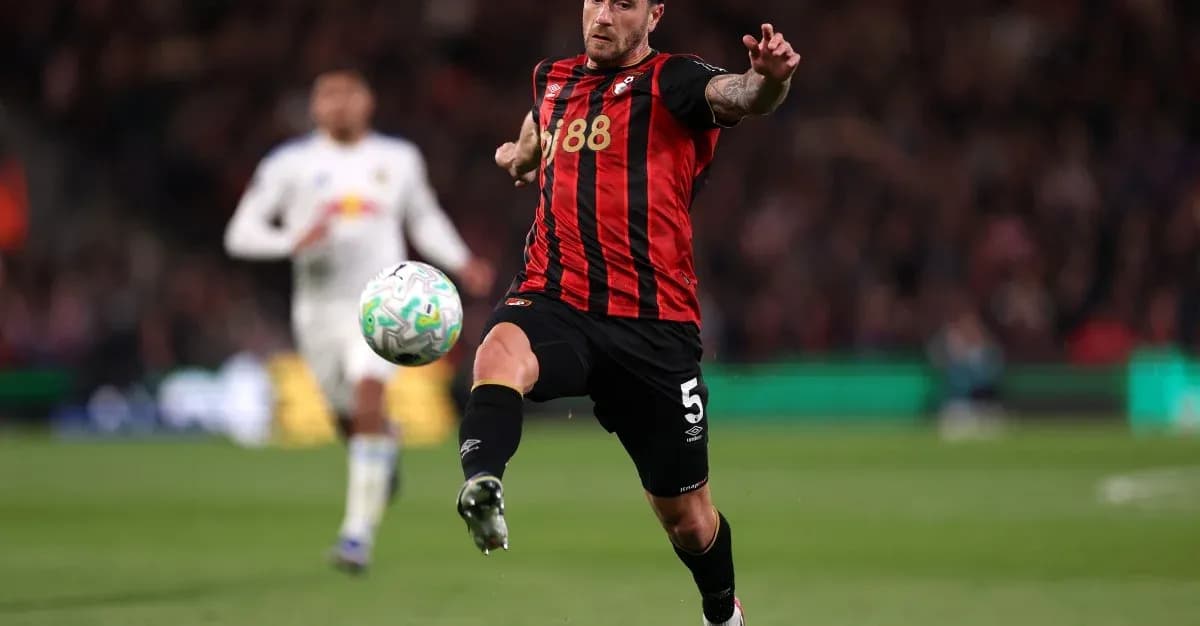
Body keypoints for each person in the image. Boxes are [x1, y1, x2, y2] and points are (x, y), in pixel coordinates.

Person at [454, 2, 799, 624]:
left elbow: (742, 95)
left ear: (653, 14)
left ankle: (722, 611)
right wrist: (521, 156)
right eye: (596, 0)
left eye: (624, 4)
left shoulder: (675, 81)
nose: (604, 15)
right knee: (499, 352)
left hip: (653, 325)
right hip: (557, 298)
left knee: (688, 520)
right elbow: (540, 123)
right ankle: (483, 482)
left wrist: (769, 79)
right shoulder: (553, 78)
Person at [224, 66, 494, 573]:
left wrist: (461, 262)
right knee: (348, 418)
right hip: (317, 310)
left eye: (349, 92)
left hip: (383, 305)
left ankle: (356, 537)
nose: (340, 102)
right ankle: (381, 456)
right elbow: (240, 233)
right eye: (329, 94)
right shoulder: (289, 164)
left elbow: (424, 217)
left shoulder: (398, 159)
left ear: (368, 101)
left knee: (369, 399)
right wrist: (291, 241)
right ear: (314, 105)